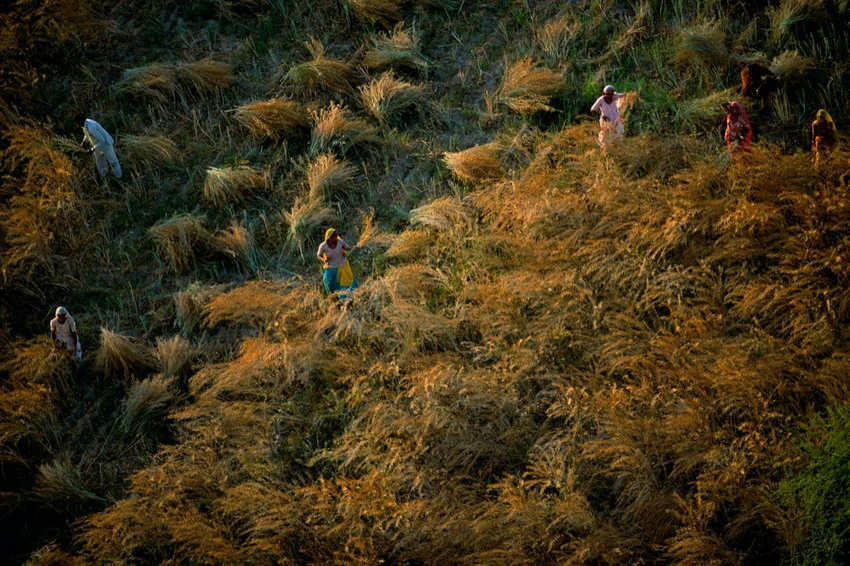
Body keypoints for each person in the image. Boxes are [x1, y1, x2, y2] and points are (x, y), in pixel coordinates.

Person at [317, 228, 357, 297]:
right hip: (331, 268)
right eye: (334, 237)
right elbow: (318, 255)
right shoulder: (323, 246)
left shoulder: (340, 242)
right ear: (329, 238)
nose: (336, 238)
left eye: (336, 236)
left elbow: (347, 248)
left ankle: (345, 299)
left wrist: (353, 248)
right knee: (328, 282)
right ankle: (333, 297)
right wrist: (323, 259)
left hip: (342, 267)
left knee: (344, 285)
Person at [590, 85, 626, 150]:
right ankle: (605, 151)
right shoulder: (600, 100)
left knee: (618, 137)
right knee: (605, 138)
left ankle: (617, 150)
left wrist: (630, 95)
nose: (609, 97)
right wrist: (602, 115)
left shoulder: (615, 96)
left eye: (611, 95)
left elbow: (624, 95)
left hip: (616, 121)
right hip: (606, 122)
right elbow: (592, 109)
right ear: (604, 94)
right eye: (607, 95)